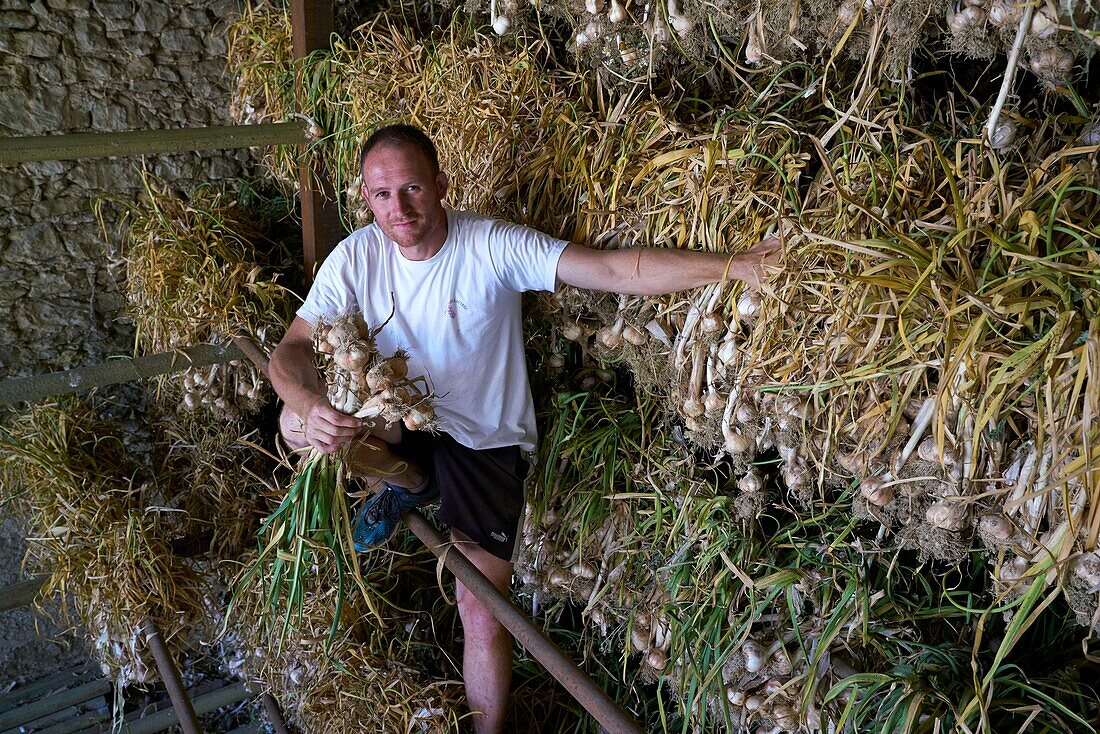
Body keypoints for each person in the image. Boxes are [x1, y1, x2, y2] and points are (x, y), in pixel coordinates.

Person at [268, 124, 780, 733]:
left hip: (482, 438)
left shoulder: (491, 245)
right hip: (402, 416)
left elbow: (613, 271)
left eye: (411, 189)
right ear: (365, 198)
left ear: (440, 186)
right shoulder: (358, 255)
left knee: (480, 607)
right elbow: (291, 351)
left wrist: (733, 267)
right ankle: (405, 477)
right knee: (296, 424)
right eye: (382, 195)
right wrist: (310, 402)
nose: (398, 209)